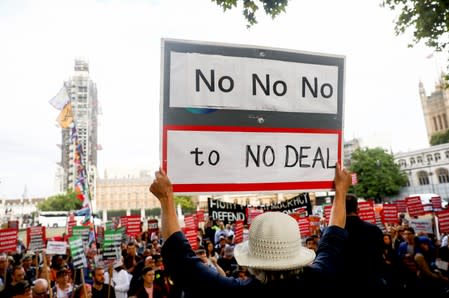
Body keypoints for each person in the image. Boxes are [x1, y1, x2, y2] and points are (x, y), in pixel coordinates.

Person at [149, 162, 352, 297]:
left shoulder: (234, 292)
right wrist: (341, 191)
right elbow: (333, 237)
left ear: (252, 261)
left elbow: (182, 262)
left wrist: (167, 199)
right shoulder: (321, 279)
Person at [338, 194, 385, 293]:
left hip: (345, 283)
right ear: (357, 209)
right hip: (371, 281)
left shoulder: (332, 233)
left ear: (340, 210)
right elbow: (380, 254)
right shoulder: (374, 230)